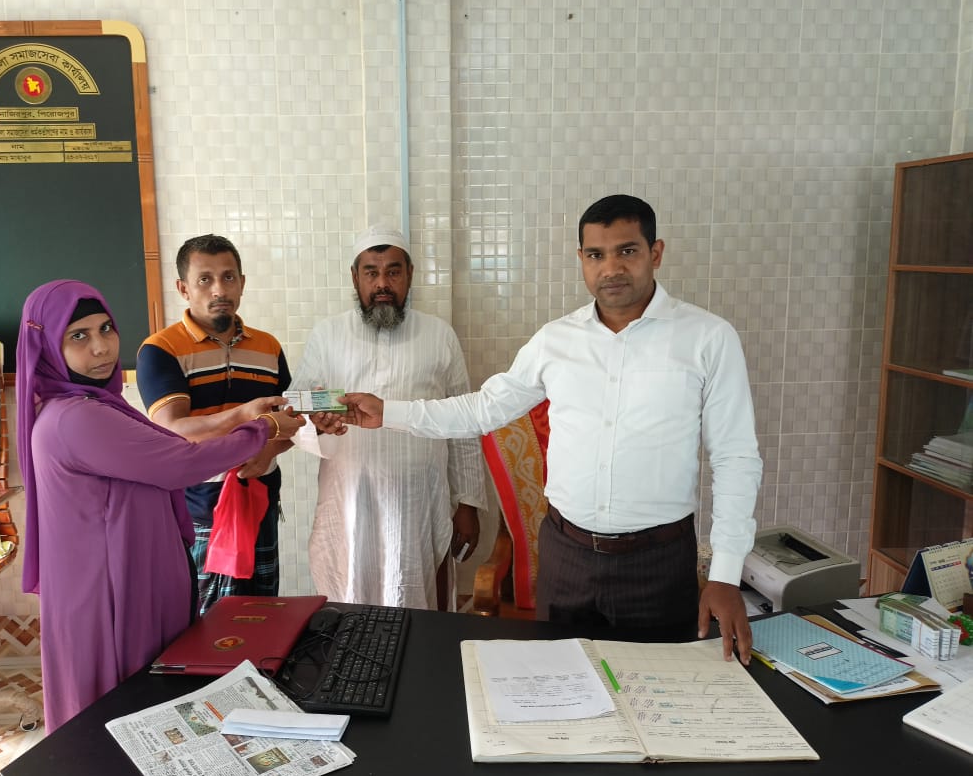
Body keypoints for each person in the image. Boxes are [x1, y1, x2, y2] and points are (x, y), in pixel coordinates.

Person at [343, 196, 762, 663]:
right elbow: (483, 409)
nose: (611, 268)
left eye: (627, 251)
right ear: (581, 258)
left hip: (658, 564)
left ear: (655, 252)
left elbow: (736, 458)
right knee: (562, 688)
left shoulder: (707, 338)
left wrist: (726, 575)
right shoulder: (556, 340)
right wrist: (389, 412)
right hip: (567, 560)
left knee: (657, 692)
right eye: (596, 254)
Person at [17, 279, 303, 732]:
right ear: (47, 345)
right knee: (120, 716)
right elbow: (179, 463)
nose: (100, 347)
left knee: (141, 712)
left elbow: (166, 447)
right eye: (78, 336)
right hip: (111, 595)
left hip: (121, 581)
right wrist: (262, 428)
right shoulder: (76, 418)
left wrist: (244, 416)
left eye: (106, 328)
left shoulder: (94, 404)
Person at [290, 224, 485, 610]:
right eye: (371, 272)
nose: (382, 283)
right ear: (355, 277)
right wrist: (316, 423)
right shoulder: (327, 335)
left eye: (393, 272)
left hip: (420, 503)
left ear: (409, 274)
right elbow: (297, 405)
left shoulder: (439, 335)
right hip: (350, 502)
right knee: (350, 599)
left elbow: (464, 423)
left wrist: (468, 502)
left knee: (418, 603)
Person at [137, 235, 294, 614]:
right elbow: (174, 428)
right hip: (197, 509)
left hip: (260, 499)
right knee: (205, 623)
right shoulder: (160, 349)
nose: (219, 289)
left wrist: (268, 450)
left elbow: (291, 420)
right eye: (205, 279)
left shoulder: (268, 347)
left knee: (261, 615)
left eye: (228, 277)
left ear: (242, 282)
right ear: (183, 288)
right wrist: (244, 416)